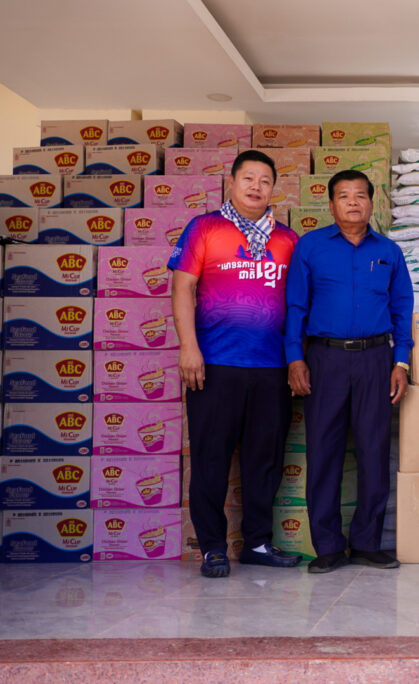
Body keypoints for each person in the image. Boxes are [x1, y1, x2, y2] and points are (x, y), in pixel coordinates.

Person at [169, 149, 302, 578]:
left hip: (271, 367)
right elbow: (182, 288)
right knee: (211, 458)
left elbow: (298, 303)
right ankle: (213, 548)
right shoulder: (205, 227)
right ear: (231, 182)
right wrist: (189, 347)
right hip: (215, 364)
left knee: (265, 459)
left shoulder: (287, 240)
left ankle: (258, 543)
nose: (256, 187)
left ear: (274, 188)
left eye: (265, 180)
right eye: (248, 178)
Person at [285, 169, 414, 574]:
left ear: (372, 203)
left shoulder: (389, 252)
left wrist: (401, 362)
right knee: (324, 451)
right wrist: (295, 358)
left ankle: (366, 544)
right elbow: (296, 307)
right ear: (331, 204)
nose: (353, 202)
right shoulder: (310, 247)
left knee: (374, 451)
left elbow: (403, 309)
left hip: (376, 360)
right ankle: (327, 546)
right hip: (325, 360)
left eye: (360, 195)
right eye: (344, 195)